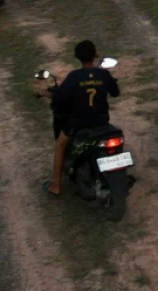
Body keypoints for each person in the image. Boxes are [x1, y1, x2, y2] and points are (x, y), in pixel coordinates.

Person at [42, 40, 120, 196]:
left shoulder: (74, 76)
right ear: (95, 55)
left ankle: (56, 186)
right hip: (101, 121)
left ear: (77, 57)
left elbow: (59, 97)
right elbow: (116, 92)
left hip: (78, 122)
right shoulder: (103, 74)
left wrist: (47, 94)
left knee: (60, 144)